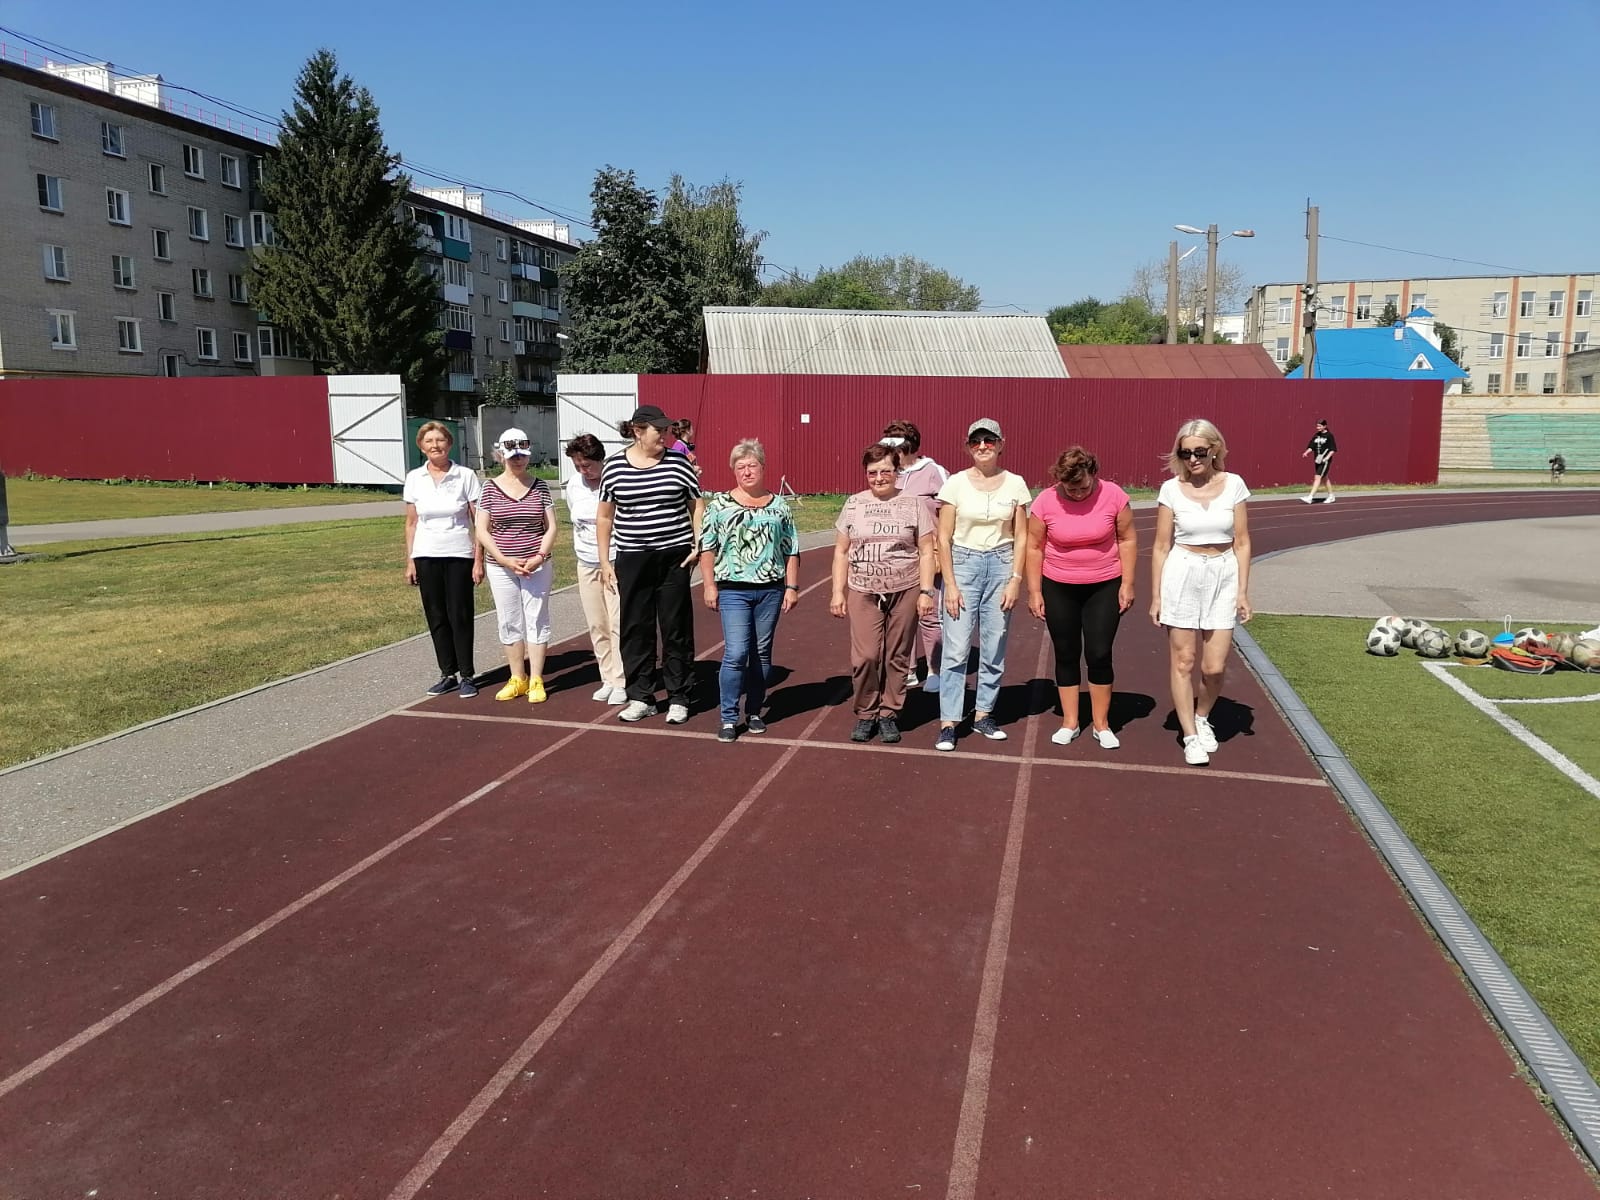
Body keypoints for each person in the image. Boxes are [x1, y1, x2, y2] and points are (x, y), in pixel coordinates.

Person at [1149, 419, 1252, 766]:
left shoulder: (1234, 485)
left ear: (1215, 450)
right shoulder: (1171, 490)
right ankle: (1190, 734)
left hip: (1223, 573)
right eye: (1185, 452)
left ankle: (1203, 715)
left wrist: (1242, 592)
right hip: (1183, 572)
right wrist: (1157, 596)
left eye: (1199, 452)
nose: (1192, 459)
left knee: (1213, 666)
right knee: (1184, 661)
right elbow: (1161, 545)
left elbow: (1242, 541)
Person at [598, 405, 705, 725]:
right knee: (635, 629)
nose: (665, 436)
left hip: (674, 556)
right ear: (638, 431)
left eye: (667, 430)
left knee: (676, 629)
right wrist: (605, 560)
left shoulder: (678, 462)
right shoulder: (614, 467)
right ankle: (641, 696)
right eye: (659, 431)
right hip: (632, 558)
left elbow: (697, 504)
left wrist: (698, 543)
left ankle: (679, 696)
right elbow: (605, 516)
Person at [1025, 446, 1136, 749]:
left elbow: (1127, 539)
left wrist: (1127, 583)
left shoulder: (1113, 496)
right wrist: (1034, 590)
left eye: (1083, 487)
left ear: (1093, 474)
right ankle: (1070, 722)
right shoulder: (1046, 500)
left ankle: (1102, 724)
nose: (1076, 494)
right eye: (1069, 488)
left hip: (1104, 584)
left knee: (1099, 652)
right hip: (1059, 585)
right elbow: (1034, 546)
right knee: (1066, 652)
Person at [933, 419, 1033, 752]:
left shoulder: (1016, 484)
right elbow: (942, 539)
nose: (983, 447)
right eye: (976, 441)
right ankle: (949, 721)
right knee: (957, 646)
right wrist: (950, 583)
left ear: (1001, 444)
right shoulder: (955, 485)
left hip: (1001, 563)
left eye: (989, 441)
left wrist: (1015, 579)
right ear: (967, 446)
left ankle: (983, 714)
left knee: (994, 644)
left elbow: (1021, 537)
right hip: (963, 564)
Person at [830, 444, 937, 744]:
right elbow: (841, 551)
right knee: (865, 656)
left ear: (897, 472)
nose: (879, 478)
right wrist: (837, 592)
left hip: (906, 588)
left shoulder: (913, 504)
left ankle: (889, 713)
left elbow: (927, 551)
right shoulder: (853, 504)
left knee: (897, 655)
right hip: (863, 590)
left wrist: (926, 592)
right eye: (872, 473)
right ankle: (866, 713)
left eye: (885, 472)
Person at [699, 439, 800, 742]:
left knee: (761, 654)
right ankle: (729, 716)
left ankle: (754, 710)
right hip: (733, 589)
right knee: (736, 652)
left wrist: (792, 587)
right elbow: (707, 547)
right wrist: (708, 584)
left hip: (770, 589)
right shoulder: (719, 505)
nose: (746, 471)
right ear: (733, 470)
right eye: (740, 466)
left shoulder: (779, 505)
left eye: (752, 465)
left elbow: (790, 548)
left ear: (763, 467)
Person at [474, 428, 557, 703]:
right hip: (501, 567)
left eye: (522, 454)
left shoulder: (540, 487)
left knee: (536, 619)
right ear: (502, 456)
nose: (518, 460)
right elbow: (482, 529)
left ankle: (536, 679)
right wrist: (502, 559)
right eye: (512, 455)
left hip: (536, 565)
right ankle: (516, 678)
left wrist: (539, 556)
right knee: (509, 620)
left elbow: (551, 527)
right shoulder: (489, 487)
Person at [403, 421, 484, 698]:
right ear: (421, 446)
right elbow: (411, 523)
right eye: (429, 441)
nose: (435, 445)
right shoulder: (414, 478)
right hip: (426, 555)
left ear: (449, 444)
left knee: (460, 615)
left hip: (459, 553)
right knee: (436, 615)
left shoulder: (465, 475)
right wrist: (411, 560)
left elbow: (478, 521)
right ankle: (447, 673)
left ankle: (467, 675)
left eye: (440, 440)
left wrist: (478, 559)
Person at [881, 419, 948, 691]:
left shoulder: (934, 472)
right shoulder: (888, 473)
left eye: (893, 444)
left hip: (927, 554)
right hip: (897, 556)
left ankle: (935, 670)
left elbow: (950, 510)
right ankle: (907, 670)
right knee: (900, 615)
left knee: (929, 613)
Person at [564, 433, 627, 705]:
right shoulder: (574, 486)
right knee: (597, 624)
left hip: (615, 560)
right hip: (586, 562)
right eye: (578, 466)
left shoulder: (614, 481)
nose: (582, 470)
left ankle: (623, 680)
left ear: (600, 460)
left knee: (618, 622)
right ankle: (607, 678)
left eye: (587, 465)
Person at [1301, 418, 1337, 503]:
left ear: (1325, 426)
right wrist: (1306, 452)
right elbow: (1311, 446)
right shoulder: (1316, 435)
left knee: (1317, 477)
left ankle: (1310, 497)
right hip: (1317, 460)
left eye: (1320, 426)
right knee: (1324, 478)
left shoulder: (1329, 436)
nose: (1318, 428)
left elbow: (1333, 449)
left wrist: (1327, 458)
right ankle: (1331, 496)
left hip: (1325, 461)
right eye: (1317, 426)